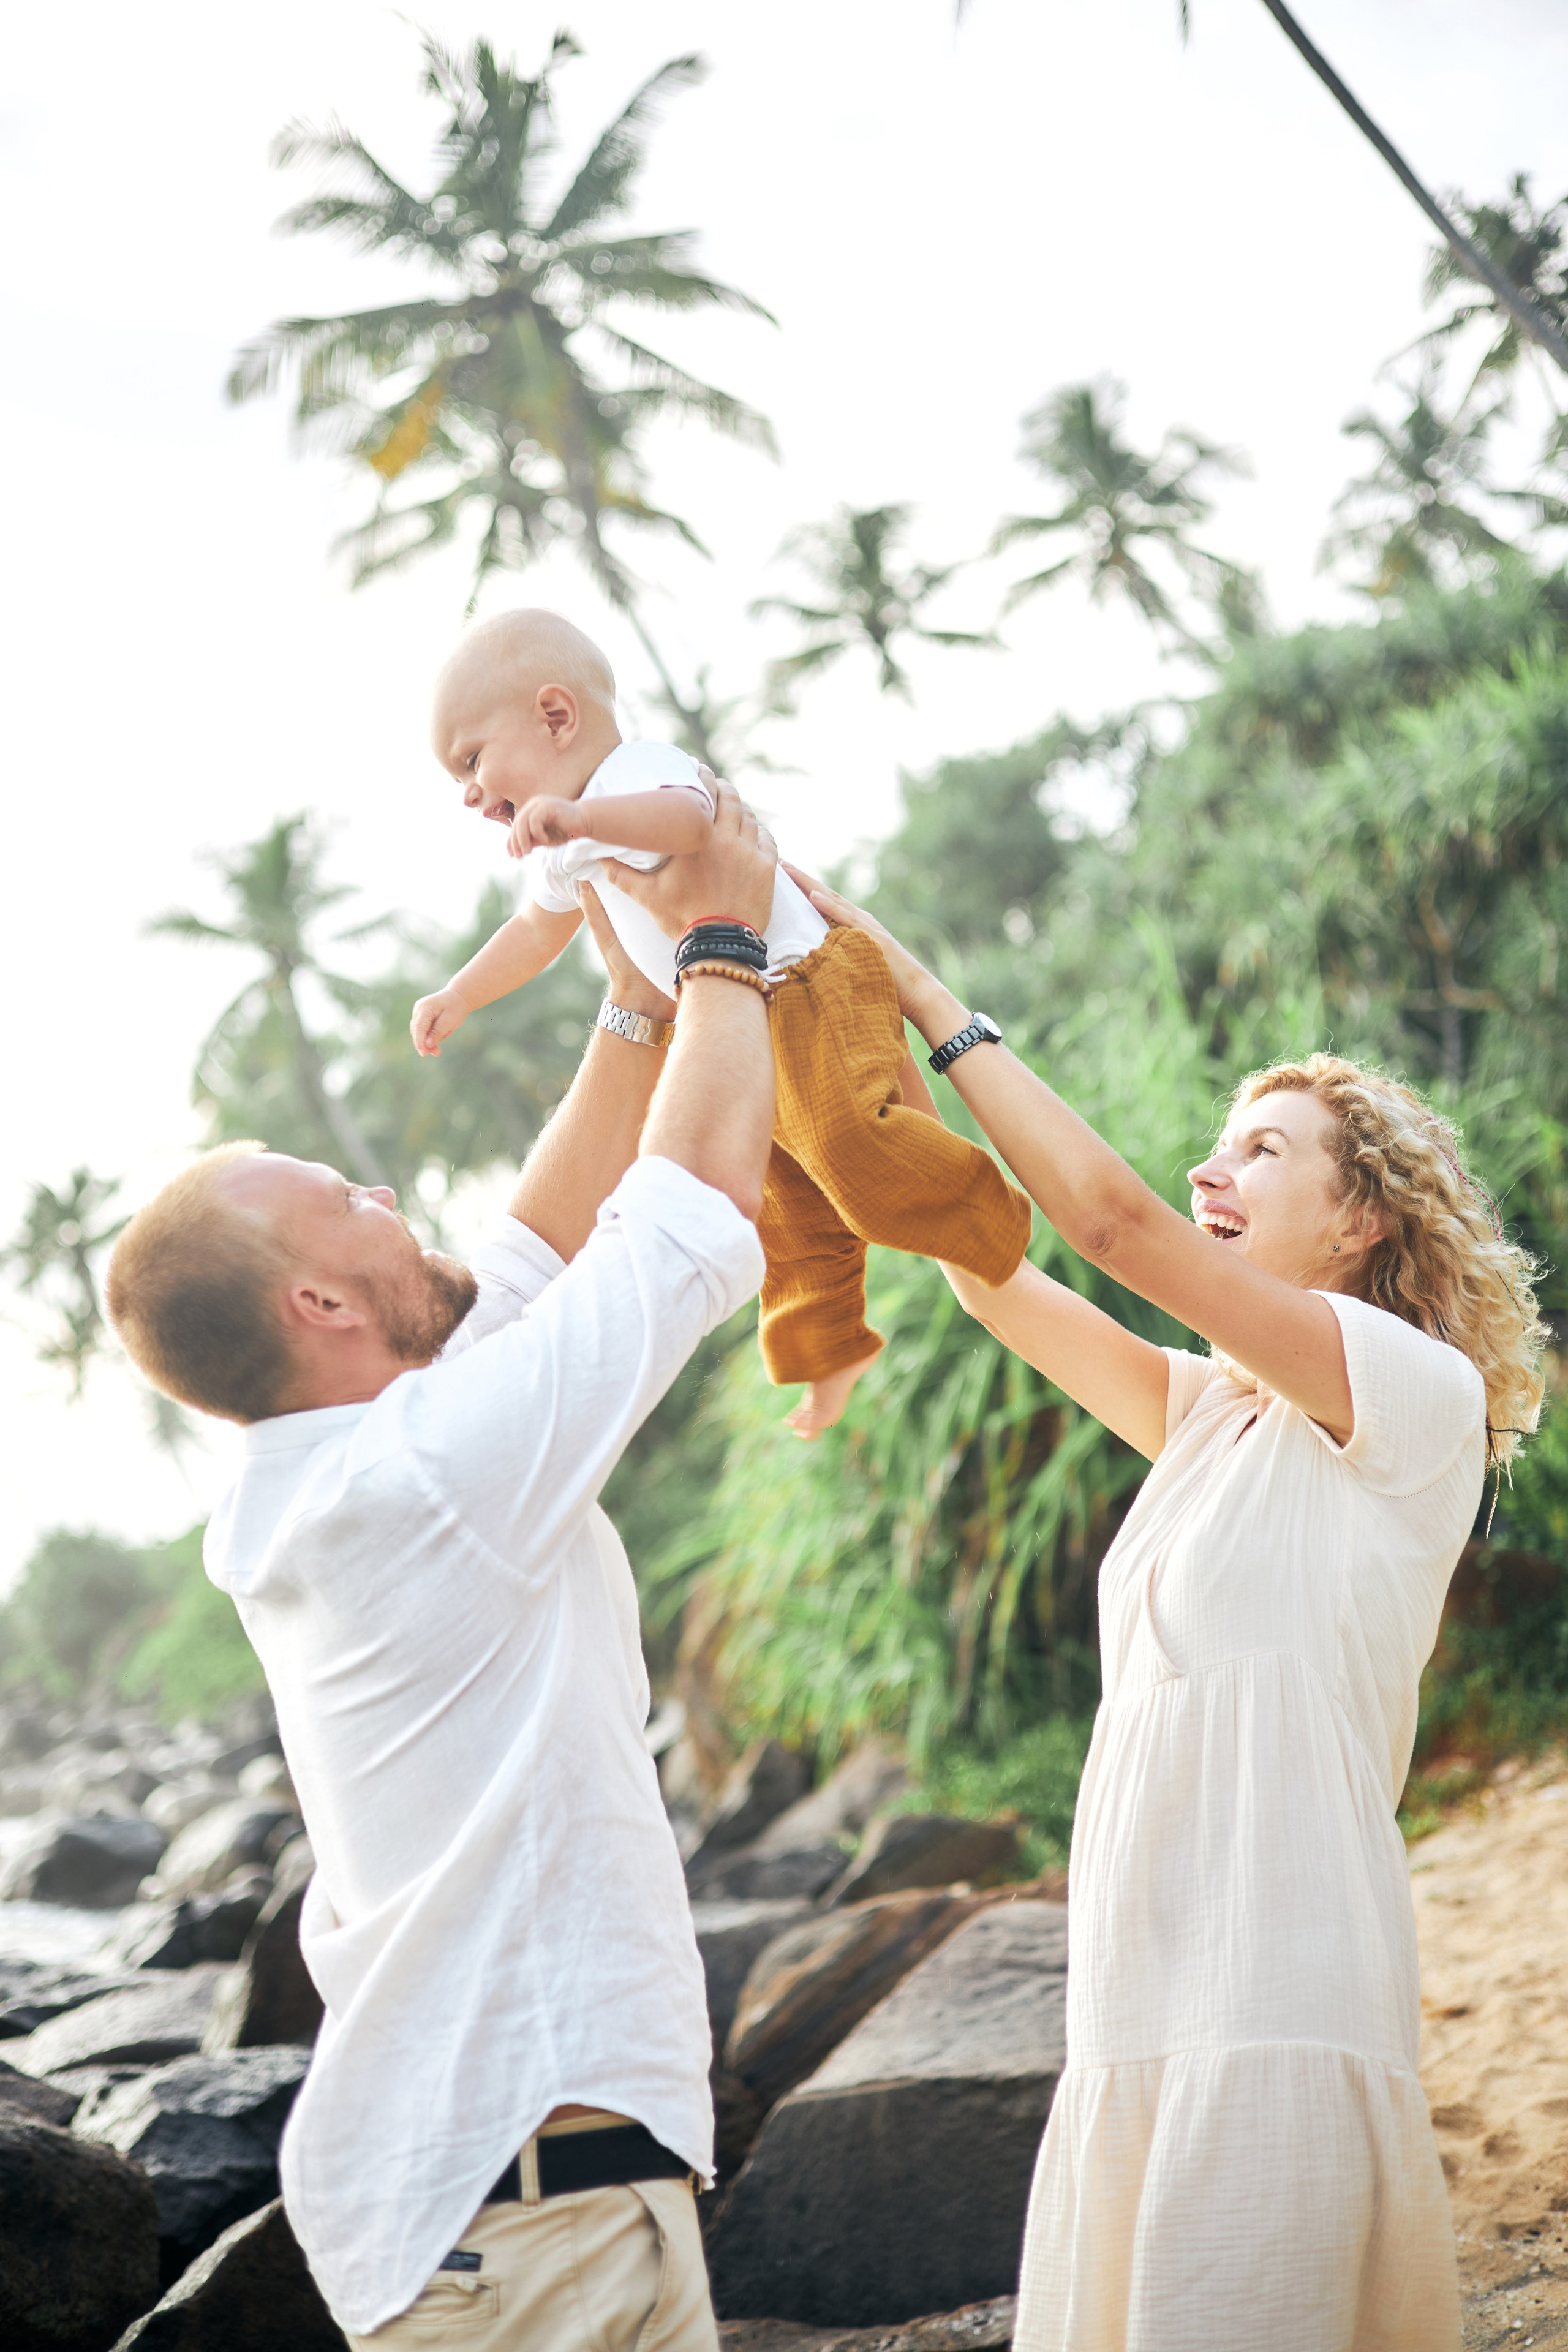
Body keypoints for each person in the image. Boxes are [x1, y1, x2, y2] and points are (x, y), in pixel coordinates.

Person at [790, 870, 1546, 2352]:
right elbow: (988, 1270)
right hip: (1142, 1979)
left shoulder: (1404, 1396)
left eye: (1260, 1149)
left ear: (1360, 1223)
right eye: (1212, 1144)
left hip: (1278, 1970)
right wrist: (829, 1027)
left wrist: (936, 1000)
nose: (1214, 1169)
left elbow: (1118, 1229)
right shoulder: (1214, 1413)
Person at [104, 788, 782, 2351]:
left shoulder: (345, 1474)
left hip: (498, 2204)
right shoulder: (416, 1482)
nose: (391, 1199)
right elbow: (673, 1228)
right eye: (353, 1207)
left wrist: (632, 987)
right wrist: (728, 946)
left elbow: (536, 1248)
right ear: (322, 1308)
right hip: (531, 2212)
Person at [408, 606, 1031, 1438]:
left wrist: (588, 822)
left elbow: (692, 822)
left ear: (556, 716)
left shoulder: (633, 774)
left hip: (806, 982)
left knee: (855, 1156)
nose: (469, 793)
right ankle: (831, 1347)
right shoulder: (565, 847)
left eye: (473, 760)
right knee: (785, 1214)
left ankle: (991, 1212)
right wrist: (458, 994)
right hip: (740, 1031)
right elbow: (533, 933)